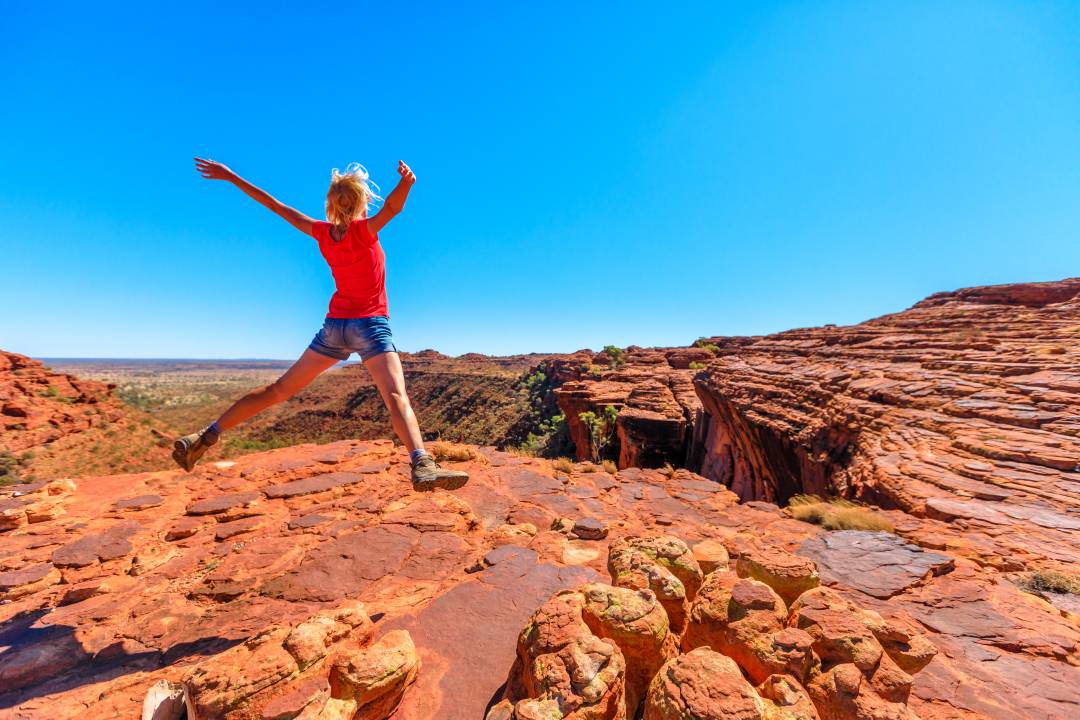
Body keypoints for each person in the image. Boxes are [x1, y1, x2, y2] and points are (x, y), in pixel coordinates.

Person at [172, 158, 468, 491]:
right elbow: (393, 209)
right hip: (369, 325)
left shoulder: (323, 234)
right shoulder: (364, 231)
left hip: (335, 328)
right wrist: (407, 182)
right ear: (361, 202)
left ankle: (206, 435)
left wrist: (230, 177)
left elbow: (276, 206)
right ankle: (422, 463)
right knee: (395, 396)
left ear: (332, 204)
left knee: (278, 390)